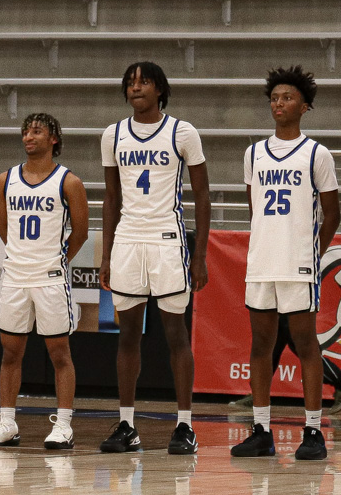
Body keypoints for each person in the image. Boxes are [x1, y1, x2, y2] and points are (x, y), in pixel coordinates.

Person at [99, 61, 211, 455]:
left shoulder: (183, 132)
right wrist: (107, 252)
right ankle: (127, 424)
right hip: (128, 240)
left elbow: (202, 196)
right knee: (127, 335)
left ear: (160, 89)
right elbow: (111, 197)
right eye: (130, 82)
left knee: (175, 335)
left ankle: (185, 426)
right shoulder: (112, 134)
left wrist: (200, 255)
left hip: (168, 241)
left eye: (144, 82)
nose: (136, 88)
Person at [231, 66, 340, 460]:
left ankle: (313, 432)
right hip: (261, 263)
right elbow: (253, 207)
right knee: (261, 346)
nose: (279, 103)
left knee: (307, 346)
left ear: (305, 106)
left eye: (287, 97)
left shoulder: (317, 154)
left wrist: (312, 251)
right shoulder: (254, 153)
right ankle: (261, 430)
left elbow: (332, 213)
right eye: (275, 98)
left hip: (298, 264)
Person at [0, 113, 88, 450]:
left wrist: (53, 261)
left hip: (50, 277)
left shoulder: (69, 181)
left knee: (59, 352)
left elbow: (81, 233)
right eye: (26, 131)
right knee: (10, 352)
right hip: (15, 275)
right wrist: (22, 259)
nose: (29, 136)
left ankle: (64, 425)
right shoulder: (4, 179)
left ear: (54, 138)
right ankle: (7, 422)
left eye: (37, 131)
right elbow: (4, 230)